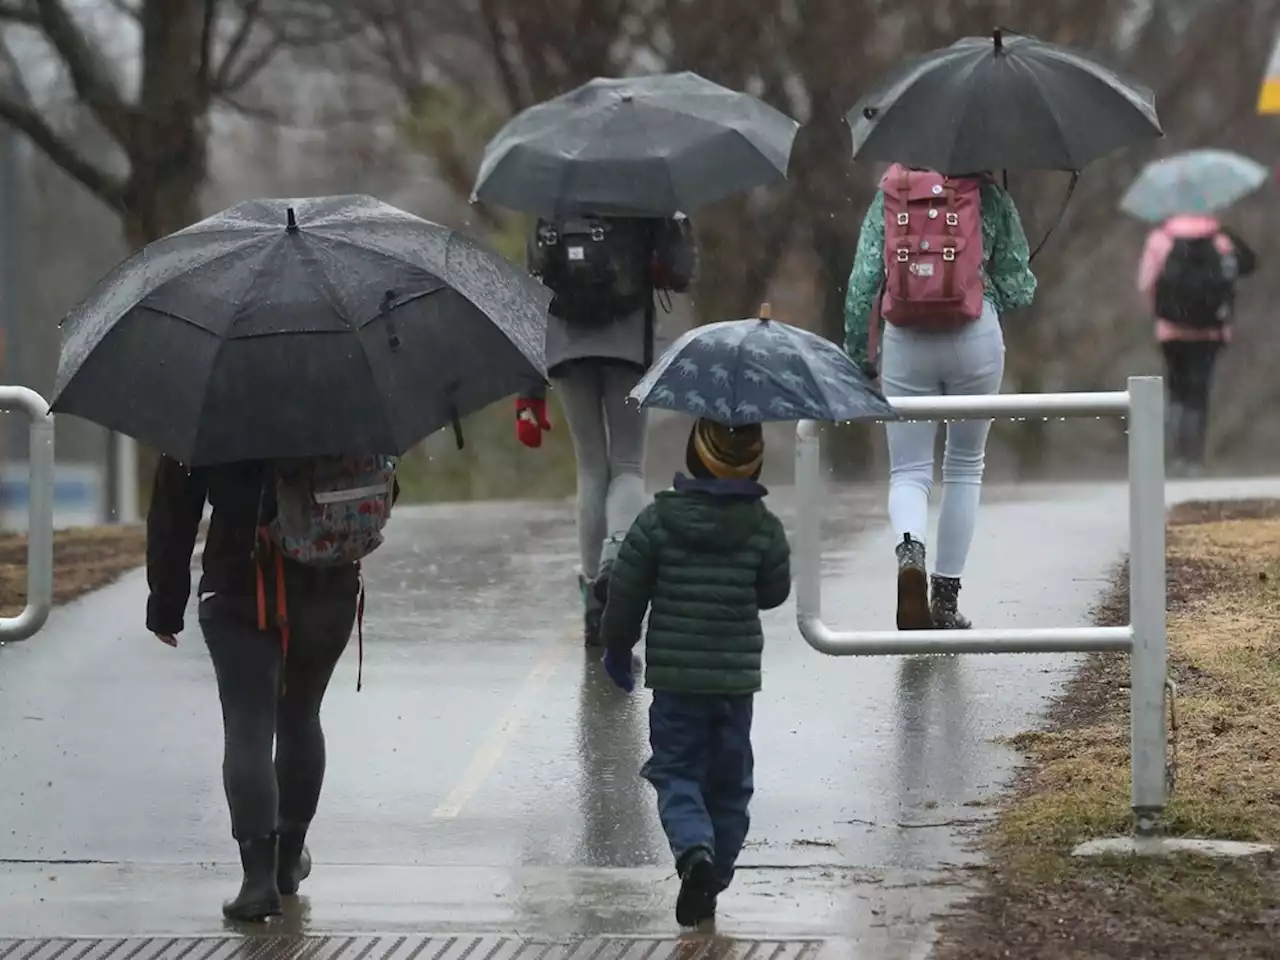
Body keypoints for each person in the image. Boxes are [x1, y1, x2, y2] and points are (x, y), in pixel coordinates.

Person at [146, 454, 398, 921]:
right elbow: (381, 487)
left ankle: (257, 880)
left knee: (248, 726)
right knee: (302, 716)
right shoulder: (349, 391)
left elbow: (174, 507)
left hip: (240, 583)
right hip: (329, 584)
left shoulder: (211, 397)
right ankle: (288, 860)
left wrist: (165, 602)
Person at [597, 418, 792, 928]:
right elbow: (774, 592)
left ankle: (694, 855)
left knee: (678, 772)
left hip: (678, 685)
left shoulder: (658, 521)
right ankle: (715, 875)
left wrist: (617, 646)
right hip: (735, 685)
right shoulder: (763, 525)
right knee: (730, 785)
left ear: (692, 455)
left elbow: (626, 594)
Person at [844, 164, 1037, 631]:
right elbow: (1018, 286)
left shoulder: (890, 195)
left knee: (908, 471)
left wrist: (860, 357)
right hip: (975, 337)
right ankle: (945, 601)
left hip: (906, 341)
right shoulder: (987, 194)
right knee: (965, 466)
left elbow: (863, 283)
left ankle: (910, 547)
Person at [515, 213, 697, 646]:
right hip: (627, 340)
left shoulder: (552, 191)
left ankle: (593, 596)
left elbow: (530, 288)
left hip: (563, 345)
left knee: (591, 466)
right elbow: (678, 275)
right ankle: (619, 559)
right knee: (628, 463)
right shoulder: (639, 191)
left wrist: (528, 392)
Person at [1136, 214, 1256, 476]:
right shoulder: (1221, 240)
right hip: (1210, 332)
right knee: (1199, 393)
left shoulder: (1161, 239)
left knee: (1176, 390)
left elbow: (1145, 283)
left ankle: (1173, 455)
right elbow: (1241, 270)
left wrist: (1160, 314)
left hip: (1171, 331)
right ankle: (1193, 458)